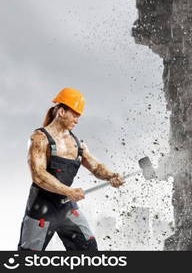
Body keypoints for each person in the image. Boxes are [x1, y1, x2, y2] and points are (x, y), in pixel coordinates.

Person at [17, 88, 125, 251]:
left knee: (88, 249)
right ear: (61, 111)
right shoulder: (40, 138)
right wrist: (68, 191)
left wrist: (112, 176)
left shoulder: (77, 144)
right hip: (41, 207)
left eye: (79, 116)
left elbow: (95, 167)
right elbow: (38, 175)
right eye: (74, 114)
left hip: (66, 207)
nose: (77, 120)